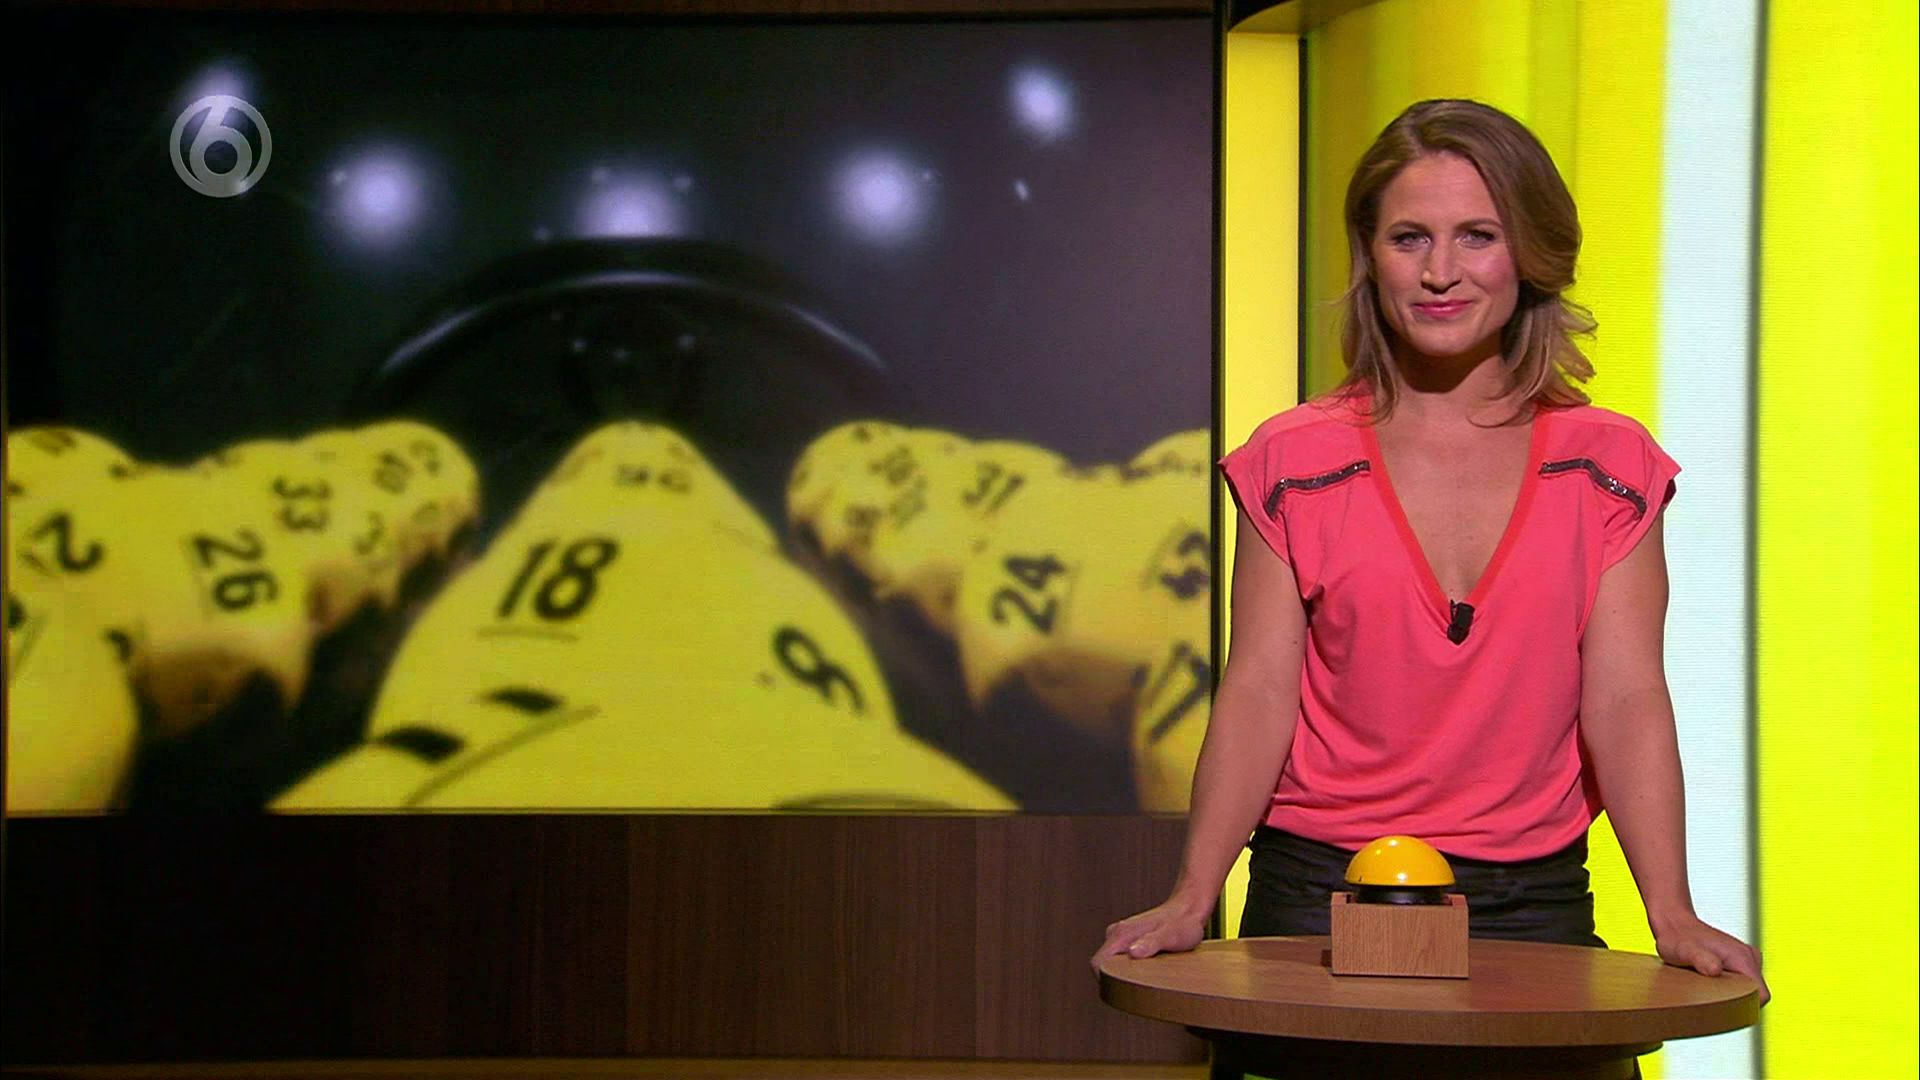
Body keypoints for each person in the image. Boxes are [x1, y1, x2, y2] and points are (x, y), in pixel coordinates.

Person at [1094, 98, 1766, 1001]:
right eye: (1410, 238)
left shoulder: (1609, 466)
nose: (1440, 272)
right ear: (1370, 256)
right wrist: (1192, 897)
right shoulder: (1293, 459)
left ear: (1529, 253)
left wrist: (1671, 913)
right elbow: (1257, 689)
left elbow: (1625, 696)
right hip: (1317, 893)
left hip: (1532, 901)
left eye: (1477, 236)